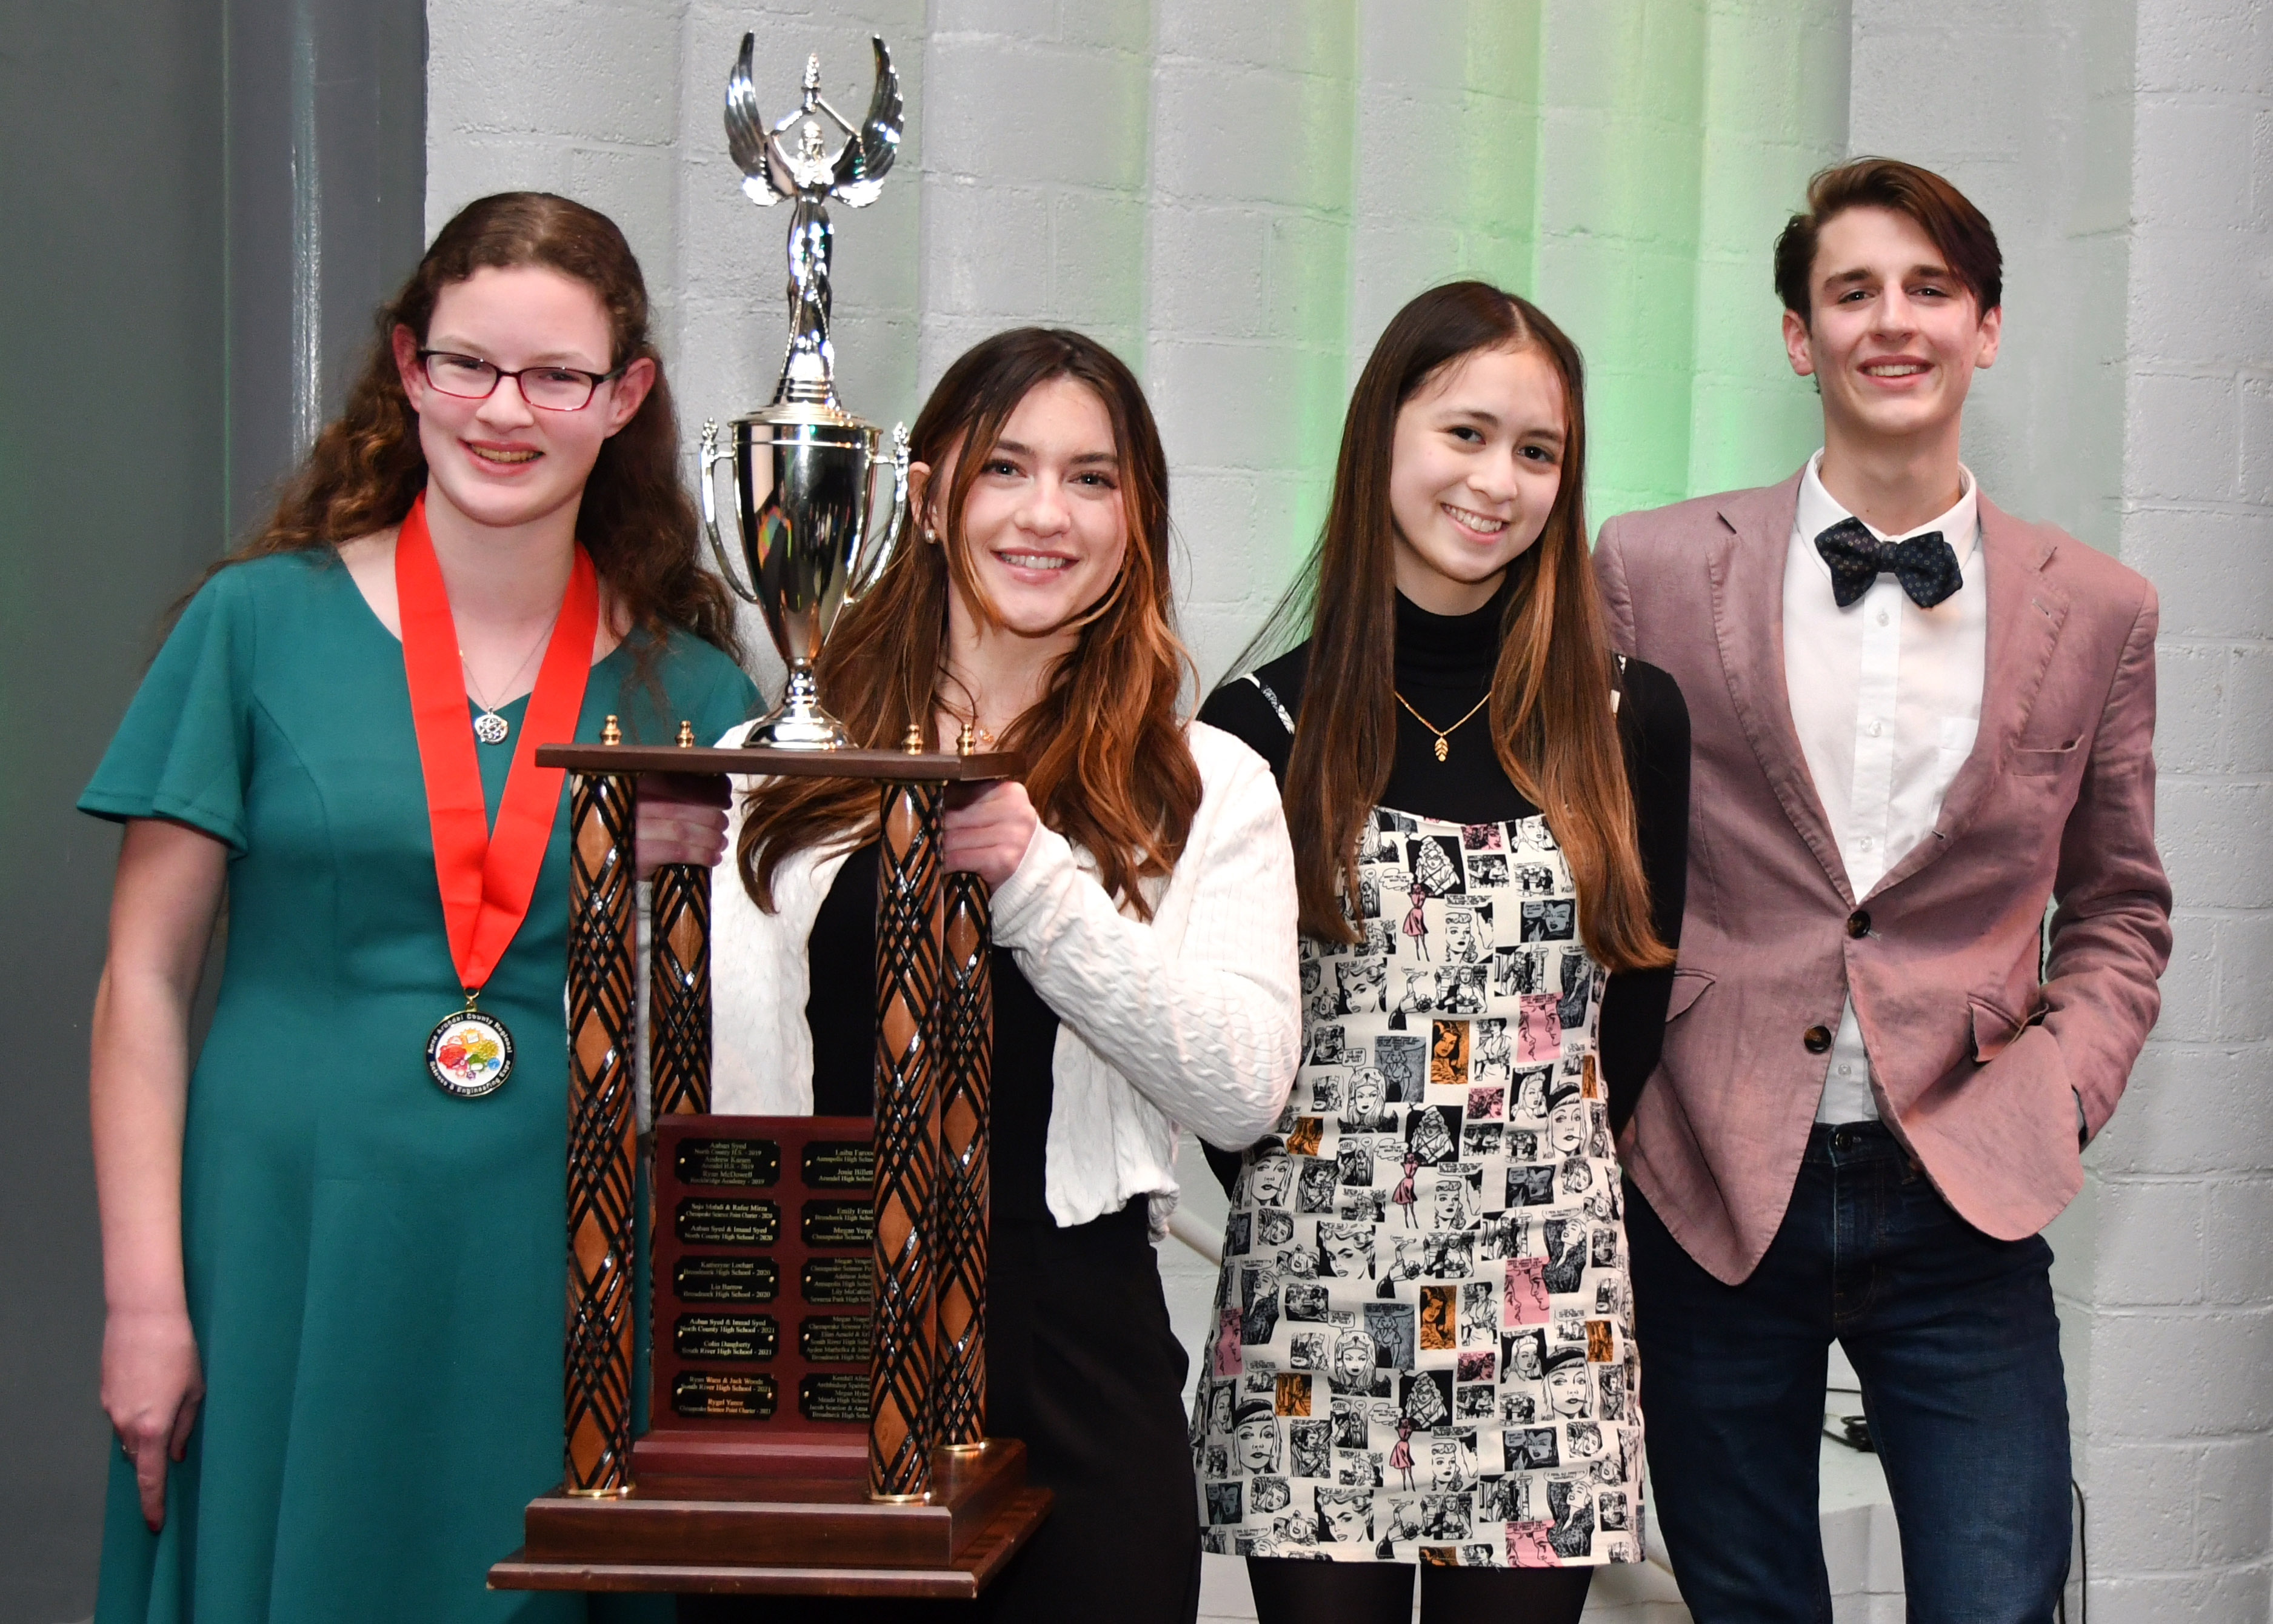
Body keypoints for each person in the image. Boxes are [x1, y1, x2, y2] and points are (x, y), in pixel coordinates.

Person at [82, 192, 758, 1622]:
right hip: (282, 1243)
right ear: (408, 365)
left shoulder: (696, 695)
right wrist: (146, 1298)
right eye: (467, 363)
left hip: (563, 1271)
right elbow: (142, 977)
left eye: (557, 376)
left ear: (623, 396)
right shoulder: (254, 625)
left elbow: (735, 1038)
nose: (504, 411)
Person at [1594, 158, 2172, 1623]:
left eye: (1931, 289)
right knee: (1745, 1602)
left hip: (1961, 1195)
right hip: (1712, 1185)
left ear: (1987, 326)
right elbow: (1592, 863)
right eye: (1854, 291)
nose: (1891, 321)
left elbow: (2119, 907)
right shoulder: (1650, 566)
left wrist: (2063, 1088)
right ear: (1801, 334)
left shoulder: (2100, 607)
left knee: (1998, 1596)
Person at [694, 327, 1301, 1623]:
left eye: (1092, 478)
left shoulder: (1210, 784)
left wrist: (1038, 883)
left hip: (1071, 1342)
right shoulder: (779, 757)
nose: (1046, 514)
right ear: (924, 497)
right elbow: (697, 1085)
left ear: (1138, 519)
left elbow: (1245, 1090)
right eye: (1005, 469)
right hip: (814, 1321)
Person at [1193, 282, 1690, 1622]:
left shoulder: (1627, 714)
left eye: (1539, 452)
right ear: (1383, 440)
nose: (1500, 480)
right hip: (1320, 1306)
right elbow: (1227, 1045)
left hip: (1544, 1317)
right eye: (1465, 432)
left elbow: (1632, 1020)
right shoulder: (1255, 724)